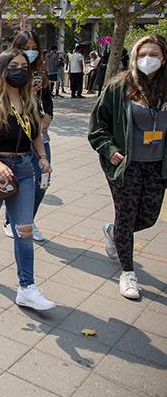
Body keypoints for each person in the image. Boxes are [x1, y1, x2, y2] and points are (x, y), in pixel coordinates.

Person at [0, 48, 55, 310]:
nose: (20, 70)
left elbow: (36, 133)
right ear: (2, 70)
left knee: (24, 228)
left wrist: (42, 156)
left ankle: (27, 287)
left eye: (24, 65)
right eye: (14, 65)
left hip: (25, 168)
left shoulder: (29, 100)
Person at [88, 34, 167, 300]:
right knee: (126, 215)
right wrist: (110, 150)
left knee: (148, 217)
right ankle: (128, 273)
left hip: (157, 166)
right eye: (142, 54)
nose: (148, 60)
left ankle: (113, 232)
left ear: (164, 58)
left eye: (154, 55)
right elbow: (97, 126)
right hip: (126, 165)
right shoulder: (119, 87)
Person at [3, 30, 53, 242]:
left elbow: (48, 98)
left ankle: (28, 219)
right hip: (17, 133)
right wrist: (29, 93)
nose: (30, 53)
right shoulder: (9, 69)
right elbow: (5, 100)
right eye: (26, 48)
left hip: (39, 132)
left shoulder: (41, 70)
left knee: (42, 179)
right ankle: (11, 220)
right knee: (15, 179)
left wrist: (48, 115)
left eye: (34, 49)